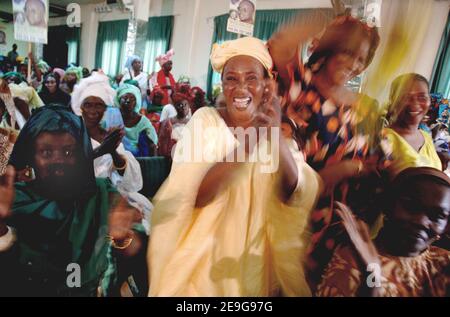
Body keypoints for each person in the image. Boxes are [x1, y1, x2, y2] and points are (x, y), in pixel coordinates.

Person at [148, 37, 322, 296]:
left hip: (251, 269)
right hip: (201, 270)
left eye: (251, 78)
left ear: (266, 86)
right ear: (222, 85)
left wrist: (273, 135)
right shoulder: (206, 120)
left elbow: (294, 193)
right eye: (231, 79)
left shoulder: (275, 131)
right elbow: (196, 193)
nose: (241, 88)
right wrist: (251, 140)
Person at [268, 14, 381, 290]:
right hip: (293, 209)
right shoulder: (300, 85)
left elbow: (376, 162)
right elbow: (281, 43)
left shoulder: (367, 107)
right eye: (347, 52)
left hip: (341, 221)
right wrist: (330, 17)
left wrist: (348, 169)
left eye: (361, 59)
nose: (354, 65)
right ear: (330, 48)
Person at [0, 105, 145, 296]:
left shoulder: (100, 193)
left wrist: (123, 237)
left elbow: (136, 251)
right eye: (46, 153)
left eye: (68, 152)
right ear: (32, 157)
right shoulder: (14, 199)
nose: (58, 160)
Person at [316, 167, 450, 297]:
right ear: (388, 205)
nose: (421, 221)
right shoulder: (350, 264)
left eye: (437, 216)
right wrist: (372, 280)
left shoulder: (443, 262)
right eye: (411, 206)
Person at [71, 72, 152, 235]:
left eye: (99, 105)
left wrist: (113, 151)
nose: (93, 110)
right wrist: (101, 150)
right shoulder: (71, 135)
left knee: (142, 226)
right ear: (81, 108)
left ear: (105, 108)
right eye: (88, 105)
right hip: (81, 199)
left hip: (113, 195)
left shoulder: (108, 136)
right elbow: (70, 169)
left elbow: (128, 177)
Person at [381, 73, 442, 176]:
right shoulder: (384, 139)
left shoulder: (426, 136)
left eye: (422, 97)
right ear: (393, 100)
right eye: (405, 97)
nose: (415, 104)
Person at [117, 84, 158, 157]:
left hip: (140, 158)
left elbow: (153, 145)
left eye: (132, 98)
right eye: (125, 98)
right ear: (119, 100)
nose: (128, 101)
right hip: (117, 156)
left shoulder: (144, 122)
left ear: (136, 102)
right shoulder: (114, 118)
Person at [157, 92, 190, 158]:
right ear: (175, 107)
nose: (183, 108)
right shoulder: (167, 123)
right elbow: (162, 143)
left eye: (185, 105)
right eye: (180, 105)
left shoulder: (192, 122)